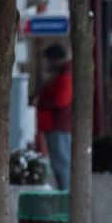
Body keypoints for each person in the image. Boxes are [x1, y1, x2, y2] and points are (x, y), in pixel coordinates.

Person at [36, 44, 73, 190]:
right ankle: (65, 192)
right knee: (60, 163)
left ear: (55, 60)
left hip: (58, 126)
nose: (48, 64)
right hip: (56, 125)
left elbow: (61, 101)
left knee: (61, 164)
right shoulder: (62, 74)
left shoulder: (65, 76)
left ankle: (66, 194)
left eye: (49, 60)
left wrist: (41, 102)